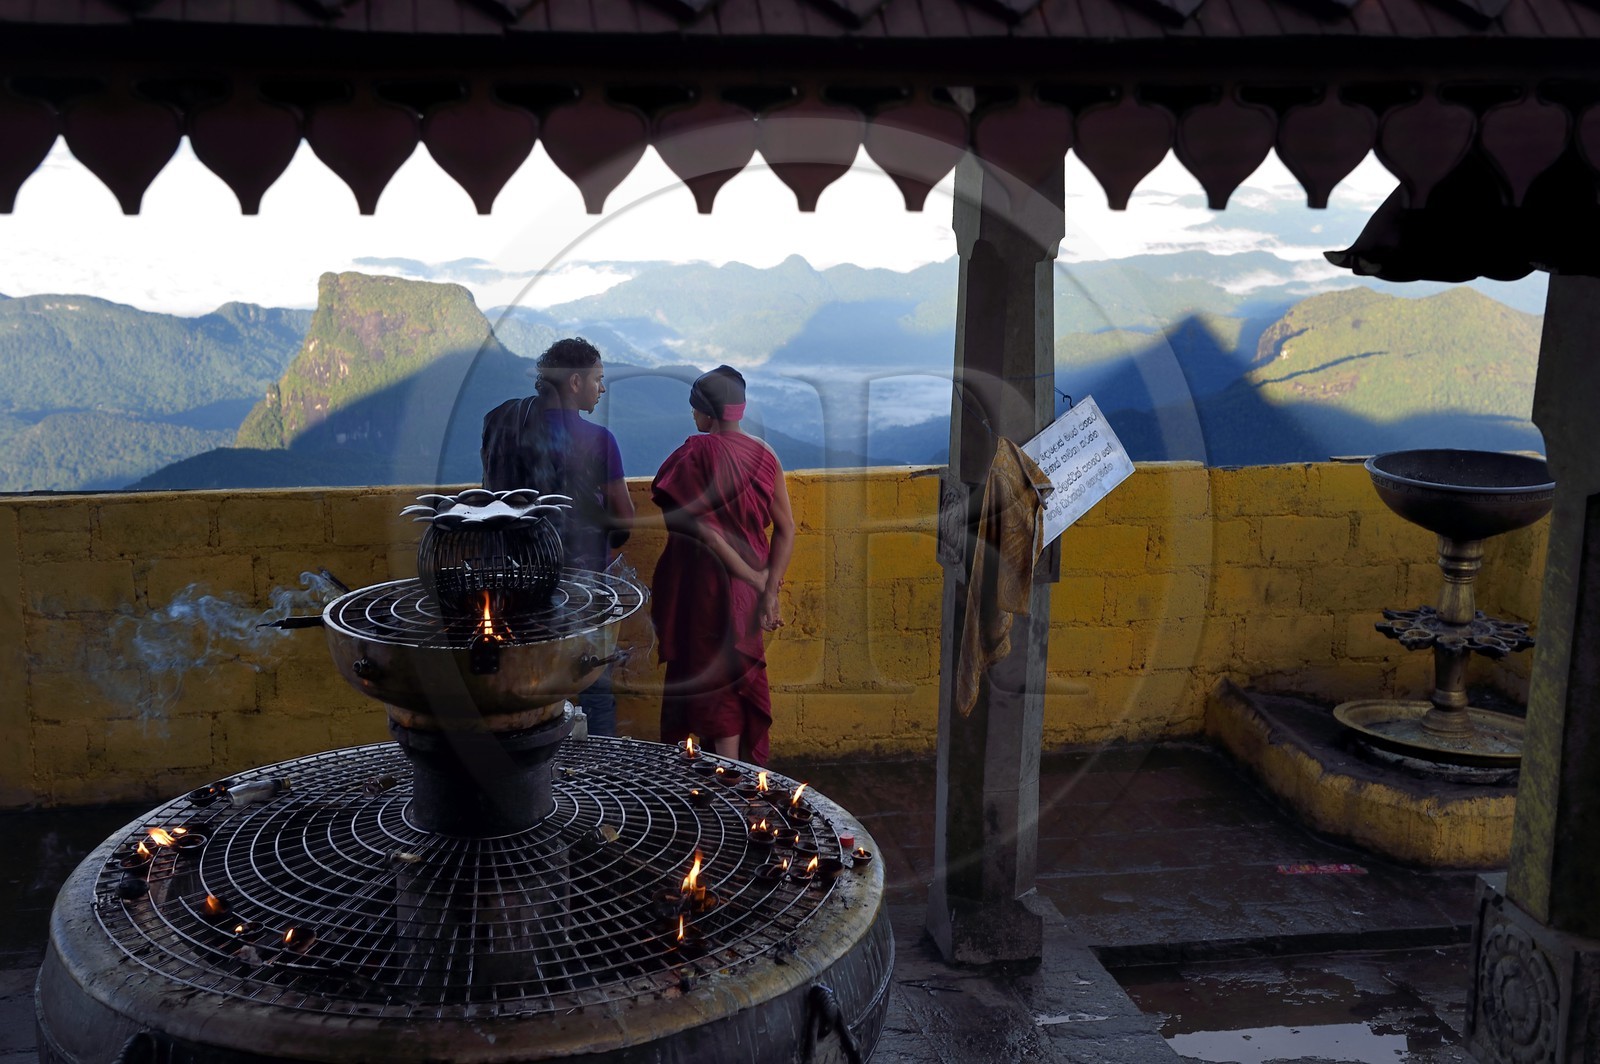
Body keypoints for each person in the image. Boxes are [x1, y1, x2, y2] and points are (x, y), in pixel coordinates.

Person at [481, 337, 635, 735]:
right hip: (585, 587)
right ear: (574, 382)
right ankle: (600, 764)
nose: (602, 389)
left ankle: (536, 765)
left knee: (534, 689)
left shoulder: (508, 425)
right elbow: (624, 519)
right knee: (595, 686)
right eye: (597, 379)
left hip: (520, 583)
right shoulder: (599, 441)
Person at [650, 365, 794, 766]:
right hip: (749, 593)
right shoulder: (766, 454)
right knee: (734, 681)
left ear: (708, 414)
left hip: (706, 589)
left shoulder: (695, 453)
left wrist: (756, 580)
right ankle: (735, 777)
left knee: (715, 688)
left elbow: (708, 536)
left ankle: (727, 783)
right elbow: (786, 528)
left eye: (695, 408)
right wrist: (768, 588)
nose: (692, 415)